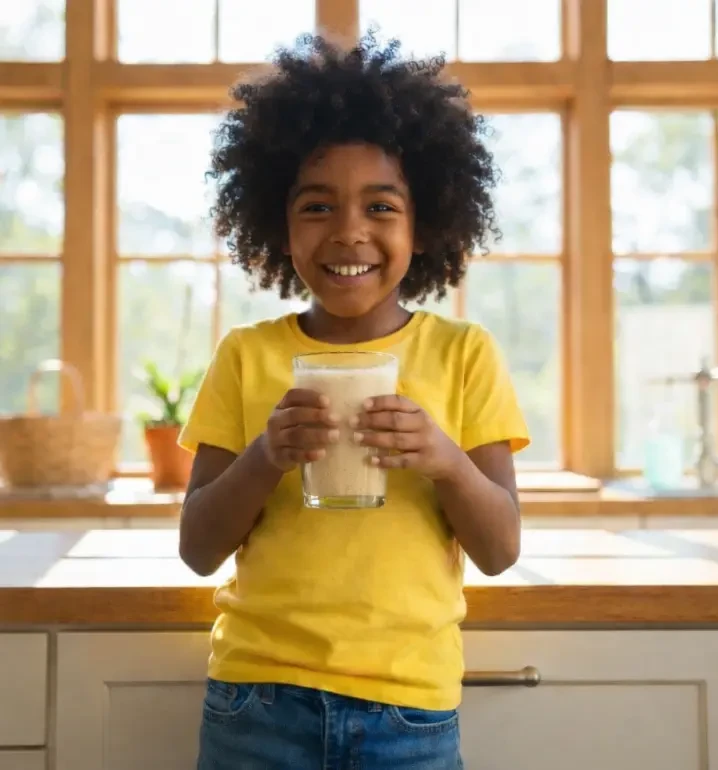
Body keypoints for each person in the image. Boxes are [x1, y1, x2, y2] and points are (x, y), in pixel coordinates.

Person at [178, 30, 530, 770]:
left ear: (426, 222)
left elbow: (499, 549)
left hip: (412, 710)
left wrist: (445, 462)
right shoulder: (247, 355)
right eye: (316, 206)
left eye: (380, 207)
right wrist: (265, 457)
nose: (348, 232)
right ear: (277, 223)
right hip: (256, 701)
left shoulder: (464, 355)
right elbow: (198, 547)